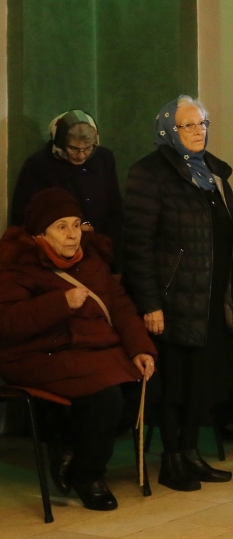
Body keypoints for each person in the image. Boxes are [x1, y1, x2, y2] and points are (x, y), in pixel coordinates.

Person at [0, 189, 156, 511]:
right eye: (61, 227)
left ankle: (72, 449)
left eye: (76, 224)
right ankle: (89, 475)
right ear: (39, 233)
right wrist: (60, 303)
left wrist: (140, 349)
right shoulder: (17, 266)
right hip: (38, 354)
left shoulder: (92, 261)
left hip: (92, 350)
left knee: (144, 385)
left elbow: (122, 309)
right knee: (105, 398)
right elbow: (8, 322)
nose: (73, 235)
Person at [125, 96, 233, 492]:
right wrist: (150, 304)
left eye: (202, 123)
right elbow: (137, 246)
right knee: (174, 382)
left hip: (210, 296)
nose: (198, 131)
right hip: (171, 299)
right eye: (188, 125)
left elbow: (225, 240)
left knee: (202, 379)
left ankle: (191, 451)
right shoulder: (149, 173)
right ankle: (172, 458)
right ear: (168, 130)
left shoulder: (213, 172)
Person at [11, 111, 124, 248]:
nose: (81, 156)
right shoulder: (38, 165)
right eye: (73, 148)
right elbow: (24, 216)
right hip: (55, 247)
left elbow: (115, 208)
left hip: (100, 245)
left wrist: (104, 241)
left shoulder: (104, 158)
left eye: (88, 148)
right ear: (60, 143)